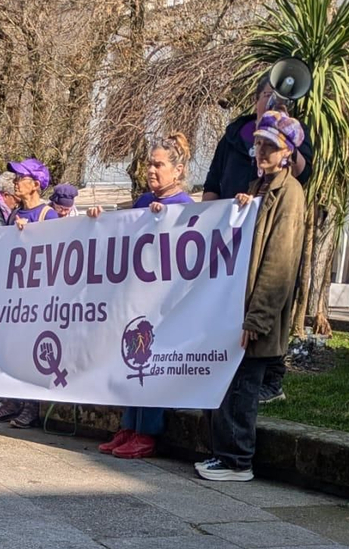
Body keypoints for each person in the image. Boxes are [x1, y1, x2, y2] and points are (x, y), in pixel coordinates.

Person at [197, 112, 306, 483]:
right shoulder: (261, 187)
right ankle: (225, 455)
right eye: (259, 143)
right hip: (238, 307)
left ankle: (237, 460)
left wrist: (257, 318)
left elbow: (279, 261)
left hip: (255, 314)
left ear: (287, 153)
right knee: (231, 382)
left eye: (270, 146)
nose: (260, 151)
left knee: (243, 387)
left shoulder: (289, 195)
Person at [93, 132, 196, 460]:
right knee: (130, 361)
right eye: (148, 164)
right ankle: (129, 425)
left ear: (177, 171)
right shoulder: (141, 204)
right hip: (135, 299)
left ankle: (147, 432)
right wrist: (98, 221)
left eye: (158, 164)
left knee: (151, 365)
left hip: (165, 303)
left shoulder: (185, 208)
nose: (151, 170)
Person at [201, 70, 316, 202]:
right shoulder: (234, 133)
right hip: (228, 217)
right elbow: (212, 183)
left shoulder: (296, 132)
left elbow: (302, 175)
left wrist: (286, 136)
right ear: (257, 101)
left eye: (280, 97)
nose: (274, 100)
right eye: (268, 95)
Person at [9, 158, 52, 226]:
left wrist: (28, 231)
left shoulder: (48, 215)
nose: (14, 181)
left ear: (35, 185)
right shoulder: (14, 214)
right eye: (15, 177)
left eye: (20, 177)